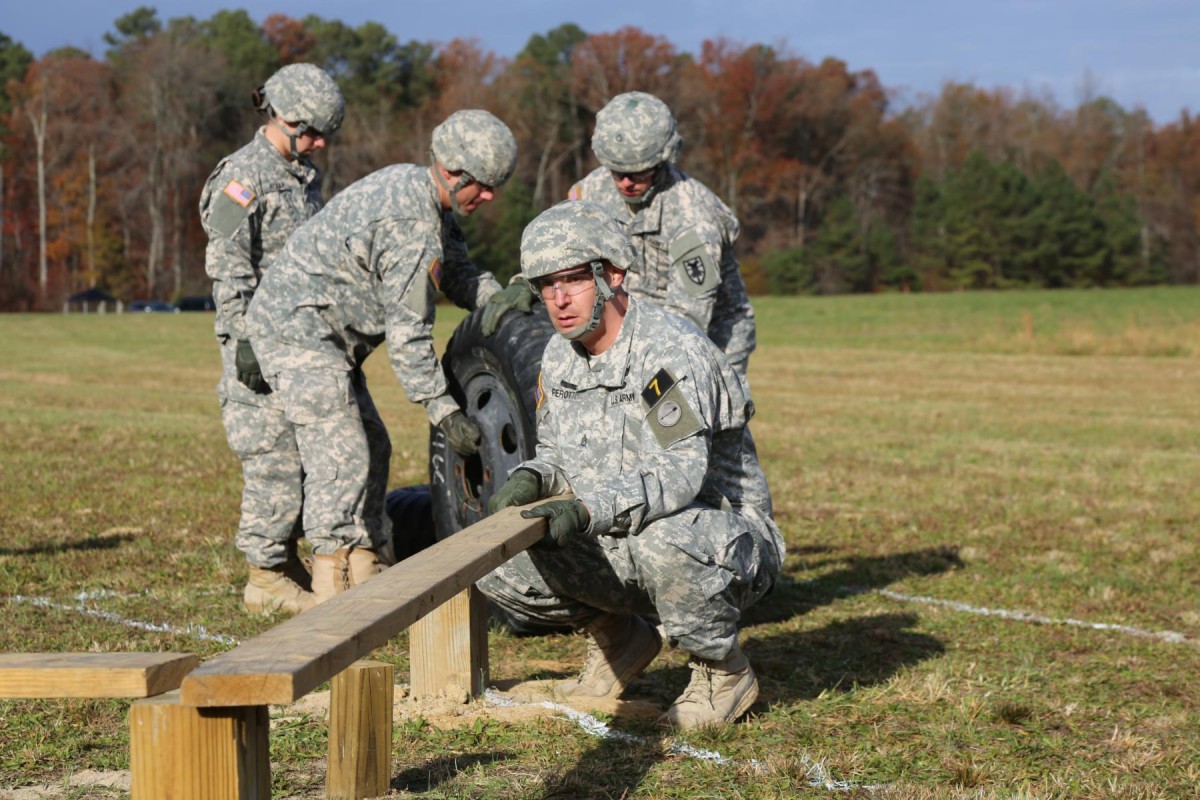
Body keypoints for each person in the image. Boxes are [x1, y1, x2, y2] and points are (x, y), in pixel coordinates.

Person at [482, 200, 785, 729]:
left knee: (662, 539)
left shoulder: (666, 352)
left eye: (573, 280)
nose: (558, 300)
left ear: (613, 275)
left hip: (717, 537)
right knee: (498, 556)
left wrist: (584, 511)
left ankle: (724, 672)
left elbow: (679, 476)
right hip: (624, 528)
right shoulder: (560, 355)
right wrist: (534, 476)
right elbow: (558, 452)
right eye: (545, 285)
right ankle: (621, 641)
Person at [244, 109, 520, 604]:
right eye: (483, 185)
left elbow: (456, 272)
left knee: (374, 444)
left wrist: (499, 300)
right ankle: (334, 587)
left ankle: (367, 564)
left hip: (327, 338)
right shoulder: (410, 222)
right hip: (296, 331)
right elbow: (409, 332)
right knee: (342, 450)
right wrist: (443, 410)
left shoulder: (429, 201)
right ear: (454, 173)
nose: (490, 196)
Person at [198, 63, 345, 615]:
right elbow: (227, 265)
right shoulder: (242, 178)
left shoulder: (303, 175)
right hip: (257, 345)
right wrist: (241, 340)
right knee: (272, 457)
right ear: (281, 117)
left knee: (307, 456)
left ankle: (284, 563)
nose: (320, 142)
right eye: (310, 131)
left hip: (302, 340)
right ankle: (264, 577)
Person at [565, 91, 757, 384]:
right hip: (624, 324)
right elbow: (565, 253)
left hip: (707, 340)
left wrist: (627, 354)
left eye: (639, 172)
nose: (626, 182)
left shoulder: (694, 214)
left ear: (663, 161)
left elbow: (688, 318)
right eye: (617, 172)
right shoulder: (592, 191)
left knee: (699, 425)